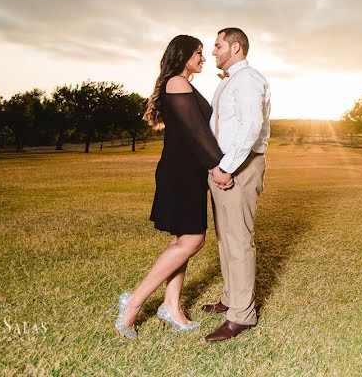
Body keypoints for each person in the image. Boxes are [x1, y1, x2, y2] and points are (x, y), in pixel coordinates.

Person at [114, 35, 226, 339]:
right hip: (180, 173)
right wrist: (217, 167)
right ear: (184, 56)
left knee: (181, 244)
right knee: (192, 242)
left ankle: (171, 307)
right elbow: (198, 134)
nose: (204, 58)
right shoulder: (177, 82)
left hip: (185, 171)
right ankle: (133, 304)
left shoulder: (182, 82)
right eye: (199, 53)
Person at [202, 27, 271, 343]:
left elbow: (251, 127)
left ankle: (241, 316)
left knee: (239, 240)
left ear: (236, 47)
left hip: (239, 168)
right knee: (225, 237)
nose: (213, 52)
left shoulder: (248, 79)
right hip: (222, 168)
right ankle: (231, 299)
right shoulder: (230, 81)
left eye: (217, 46)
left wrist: (227, 167)